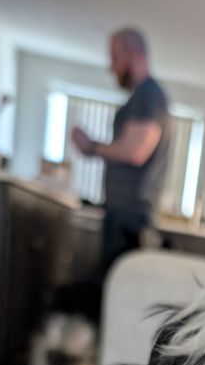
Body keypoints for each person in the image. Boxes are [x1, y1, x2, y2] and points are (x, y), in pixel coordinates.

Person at [71, 29, 171, 273]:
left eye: (115, 57)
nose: (111, 66)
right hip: (124, 214)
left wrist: (91, 146)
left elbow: (136, 151)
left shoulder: (149, 94)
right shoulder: (143, 96)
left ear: (133, 54)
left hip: (130, 218)